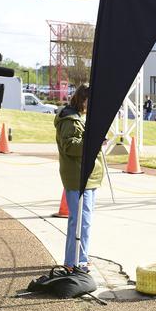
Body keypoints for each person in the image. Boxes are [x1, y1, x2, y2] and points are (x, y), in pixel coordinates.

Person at [55, 83, 103, 274]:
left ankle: (76, 258)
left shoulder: (76, 118)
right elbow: (70, 146)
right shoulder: (70, 120)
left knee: (81, 221)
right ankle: (76, 261)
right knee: (81, 222)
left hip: (84, 175)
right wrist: (93, 142)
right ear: (84, 100)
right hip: (78, 176)